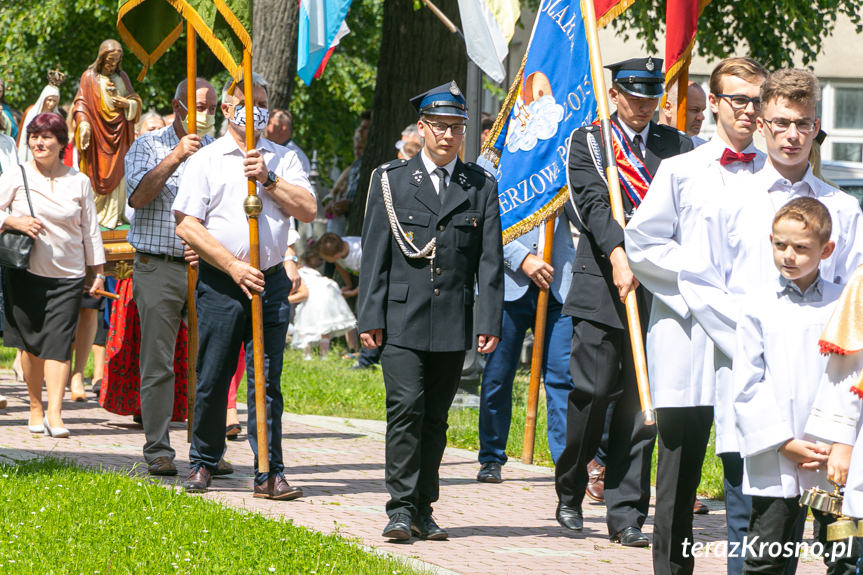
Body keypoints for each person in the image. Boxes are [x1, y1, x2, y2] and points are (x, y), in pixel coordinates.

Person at [679, 68, 863, 574]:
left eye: (803, 124)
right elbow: (698, 282)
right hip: (756, 390)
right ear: (761, 123)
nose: (791, 135)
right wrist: (751, 348)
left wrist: (839, 425)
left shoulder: (843, 211)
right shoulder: (728, 202)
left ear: (816, 126)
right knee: (761, 540)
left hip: (831, 400)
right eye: (780, 122)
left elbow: (853, 312)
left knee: (844, 549)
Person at [624, 56, 768, 574]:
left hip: (747, 344)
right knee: (678, 480)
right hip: (687, 336)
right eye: (738, 100)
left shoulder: (776, 176)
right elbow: (641, 242)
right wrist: (697, 286)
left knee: (745, 477)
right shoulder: (681, 170)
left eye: (757, 100)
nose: (749, 110)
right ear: (715, 102)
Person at [553, 57, 693, 547]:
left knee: (640, 407)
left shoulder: (676, 147)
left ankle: (626, 513)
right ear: (614, 94)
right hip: (601, 286)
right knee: (591, 396)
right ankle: (570, 490)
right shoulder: (590, 142)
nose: (642, 106)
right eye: (633, 96)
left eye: (651, 97)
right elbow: (590, 202)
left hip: (657, 291)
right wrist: (618, 252)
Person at [358, 81, 503, 541]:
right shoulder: (392, 181)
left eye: (456, 128)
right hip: (401, 318)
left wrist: (488, 321)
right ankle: (399, 507)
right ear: (421, 128)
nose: (448, 136)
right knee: (406, 409)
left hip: (452, 320)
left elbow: (489, 261)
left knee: (436, 419)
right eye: (439, 127)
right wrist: (370, 318)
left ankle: (424, 506)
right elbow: (375, 253)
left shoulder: (479, 186)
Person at [173, 72, 316, 497]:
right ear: (227, 108)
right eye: (246, 101)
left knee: (267, 381)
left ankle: (269, 470)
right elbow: (187, 225)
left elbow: (307, 209)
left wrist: (269, 179)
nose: (255, 110)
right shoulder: (208, 159)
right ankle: (203, 460)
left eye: (262, 102)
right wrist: (232, 267)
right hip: (222, 282)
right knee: (213, 374)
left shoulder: (284, 159)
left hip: (270, 283)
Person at [734, 197, 856, 573]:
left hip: (832, 457)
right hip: (778, 451)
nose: (789, 255)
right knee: (766, 556)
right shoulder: (756, 305)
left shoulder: (846, 305)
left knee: (843, 557)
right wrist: (782, 441)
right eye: (780, 245)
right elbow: (746, 384)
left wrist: (841, 442)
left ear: (826, 249)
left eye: (801, 247)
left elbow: (852, 379)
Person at [124, 78, 218, 477]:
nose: (208, 113)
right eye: (200, 105)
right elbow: (138, 196)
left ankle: (205, 451)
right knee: (159, 362)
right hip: (158, 265)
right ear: (179, 106)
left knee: (210, 363)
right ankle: (158, 448)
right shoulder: (148, 144)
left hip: (204, 269)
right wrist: (176, 156)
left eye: (213, 107)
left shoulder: (218, 152)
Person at [0, 112, 105, 437]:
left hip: (69, 276)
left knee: (59, 345)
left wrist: (97, 271)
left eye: (46, 137)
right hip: (25, 272)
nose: (38, 142)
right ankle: (35, 406)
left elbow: (90, 230)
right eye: (34, 136)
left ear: (62, 143)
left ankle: (56, 414)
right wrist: (15, 222)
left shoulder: (79, 181)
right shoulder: (16, 175)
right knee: (30, 346)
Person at [475, 213, 575, 483]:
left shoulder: (561, 168)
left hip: (558, 284)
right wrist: (521, 258)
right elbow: (484, 222)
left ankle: (566, 464)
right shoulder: (490, 168)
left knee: (562, 377)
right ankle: (491, 457)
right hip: (509, 283)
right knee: (498, 374)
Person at [72, 39, 142, 229]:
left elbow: (134, 98)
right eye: (109, 61)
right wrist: (84, 124)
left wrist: (127, 104)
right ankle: (94, 214)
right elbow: (81, 103)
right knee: (98, 174)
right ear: (101, 59)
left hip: (120, 136)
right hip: (98, 136)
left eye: (116, 62)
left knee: (119, 175)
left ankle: (115, 215)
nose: (112, 66)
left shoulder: (122, 77)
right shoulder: (89, 77)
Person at [288, 252, 357, 360]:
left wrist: (286, 300)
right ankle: (324, 355)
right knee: (325, 326)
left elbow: (304, 293)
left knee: (305, 325)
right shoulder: (310, 270)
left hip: (316, 296)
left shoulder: (297, 274)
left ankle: (307, 355)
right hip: (330, 292)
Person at [325, 111, 370, 235]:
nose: (360, 132)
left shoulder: (368, 164)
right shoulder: (355, 166)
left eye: (365, 128)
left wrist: (348, 205)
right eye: (360, 128)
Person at [17, 78, 62, 162]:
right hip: (33, 150)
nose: (51, 104)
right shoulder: (32, 113)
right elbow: (24, 137)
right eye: (49, 100)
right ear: (44, 99)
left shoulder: (58, 116)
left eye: (54, 101)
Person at [658, 80, 707, 144]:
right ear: (668, 108)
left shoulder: (704, 150)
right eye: (694, 110)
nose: (701, 117)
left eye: (702, 110)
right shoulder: (645, 144)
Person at [265, 109, 310, 174]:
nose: (266, 128)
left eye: (269, 123)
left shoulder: (296, 156)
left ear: (282, 128)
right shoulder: (275, 151)